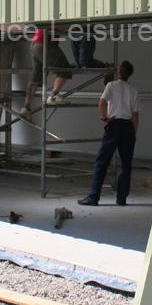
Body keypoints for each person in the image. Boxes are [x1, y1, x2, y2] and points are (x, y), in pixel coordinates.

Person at [78, 61, 139, 206]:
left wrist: (105, 117)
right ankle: (121, 198)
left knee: (102, 162)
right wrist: (133, 133)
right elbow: (135, 115)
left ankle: (94, 197)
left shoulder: (111, 85)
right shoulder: (133, 90)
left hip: (114, 125)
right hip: (128, 126)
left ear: (118, 71)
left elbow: (101, 102)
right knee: (126, 164)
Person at [20, 27, 73, 118]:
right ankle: (53, 96)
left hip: (34, 45)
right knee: (65, 70)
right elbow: (64, 27)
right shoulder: (56, 21)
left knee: (36, 78)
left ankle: (25, 107)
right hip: (45, 44)